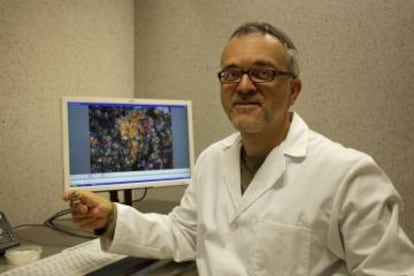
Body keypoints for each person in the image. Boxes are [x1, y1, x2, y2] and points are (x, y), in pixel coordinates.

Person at [63, 22, 414, 275]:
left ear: (293, 91)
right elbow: (185, 234)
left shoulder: (348, 175)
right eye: (231, 74)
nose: (244, 86)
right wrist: (110, 218)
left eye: (262, 72)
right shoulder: (211, 161)